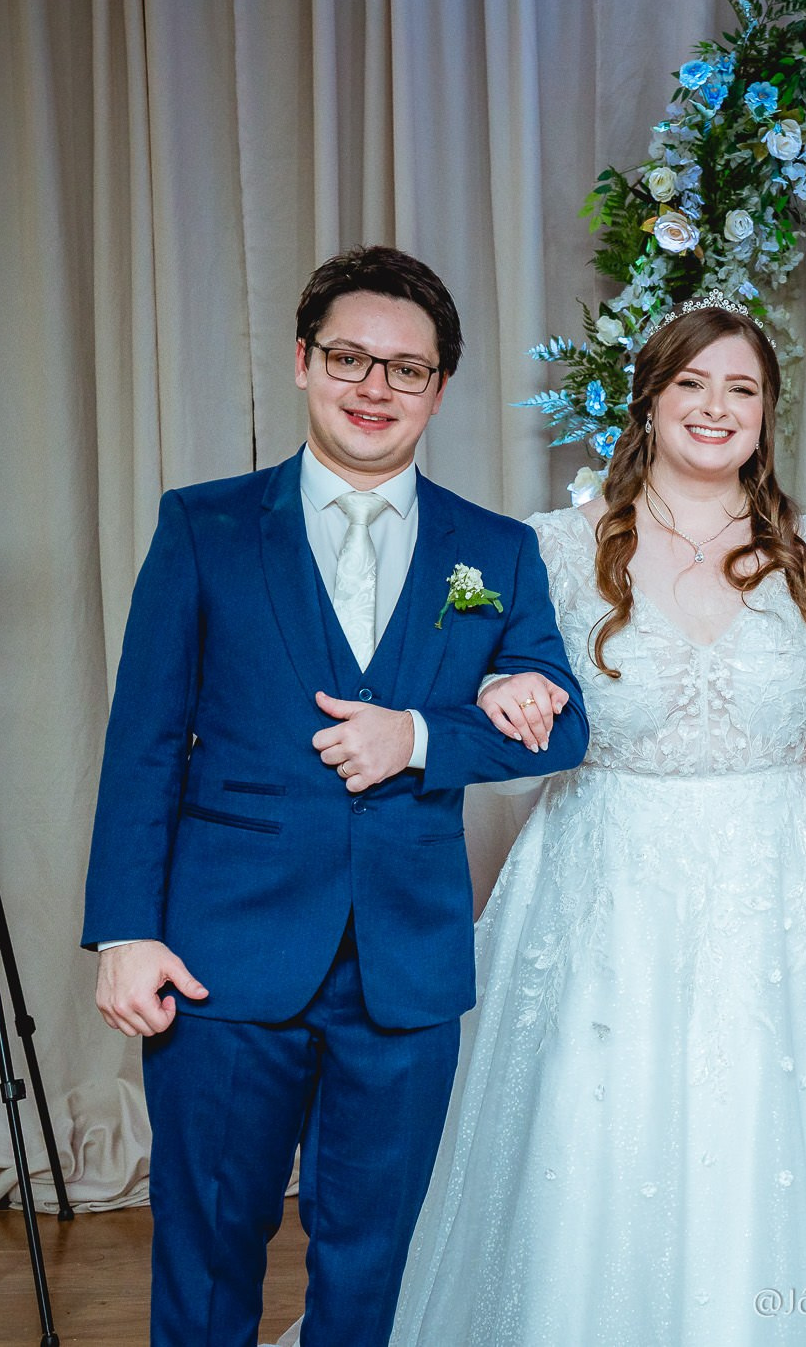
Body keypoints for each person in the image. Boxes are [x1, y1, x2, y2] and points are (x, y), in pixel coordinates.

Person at [81, 245, 587, 1347]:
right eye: (351, 358)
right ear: (305, 362)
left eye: (406, 370)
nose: (376, 387)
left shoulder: (492, 551)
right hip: (223, 953)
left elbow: (564, 718)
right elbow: (144, 744)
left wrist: (418, 736)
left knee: (373, 1263)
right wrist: (125, 929)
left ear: (439, 389)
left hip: (405, 964)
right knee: (208, 1244)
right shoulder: (204, 526)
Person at [388, 296, 806, 1346]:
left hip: (774, 884)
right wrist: (495, 695)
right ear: (650, 401)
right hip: (605, 887)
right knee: (594, 1132)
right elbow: (462, 688)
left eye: (741, 389)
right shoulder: (548, 548)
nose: (716, 408)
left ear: (765, 416)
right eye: (692, 384)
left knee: (769, 1135)